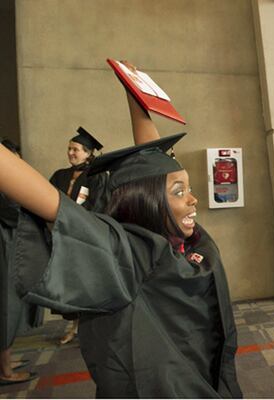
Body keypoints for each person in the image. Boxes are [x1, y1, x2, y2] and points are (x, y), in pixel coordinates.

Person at [0, 84, 243, 397]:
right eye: (180, 192)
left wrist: (135, 91)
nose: (194, 200)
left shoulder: (190, 239)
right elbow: (50, 203)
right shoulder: (125, 253)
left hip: (206, 374)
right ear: (147, 202)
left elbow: (155, 162)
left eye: (189, 188)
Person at [49, 127, 107, 345]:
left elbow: (99, 205)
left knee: (87, 282)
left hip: (85, 237)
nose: (71, 153)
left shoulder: (97, 176)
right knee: (70, 284)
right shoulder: (59, 175)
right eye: (69, 149)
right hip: (62, 237)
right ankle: (74, 327)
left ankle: (90, 328)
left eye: (75, 149)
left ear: (88, 153)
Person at [0, 139, 40, 386]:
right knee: (6, 304)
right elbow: (11, 212)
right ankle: (5, 371)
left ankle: (5, 359)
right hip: (4, 240)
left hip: (9, 239)